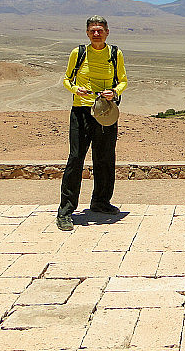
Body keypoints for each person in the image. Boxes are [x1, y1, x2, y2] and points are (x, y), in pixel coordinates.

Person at [56, 15, 127, 230]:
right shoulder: (78, 53)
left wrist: (114, 92)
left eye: (100, 30)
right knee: (76, 158)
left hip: (105, 113)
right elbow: (67, 79)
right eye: (93, 30)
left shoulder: (115, 54)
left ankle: (101, 202)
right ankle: (66, 211)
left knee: (105, 158)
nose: (96, 33)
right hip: (81, 111)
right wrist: (76, 89)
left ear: (107, 32)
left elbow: (123, 80)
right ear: (87, 33)